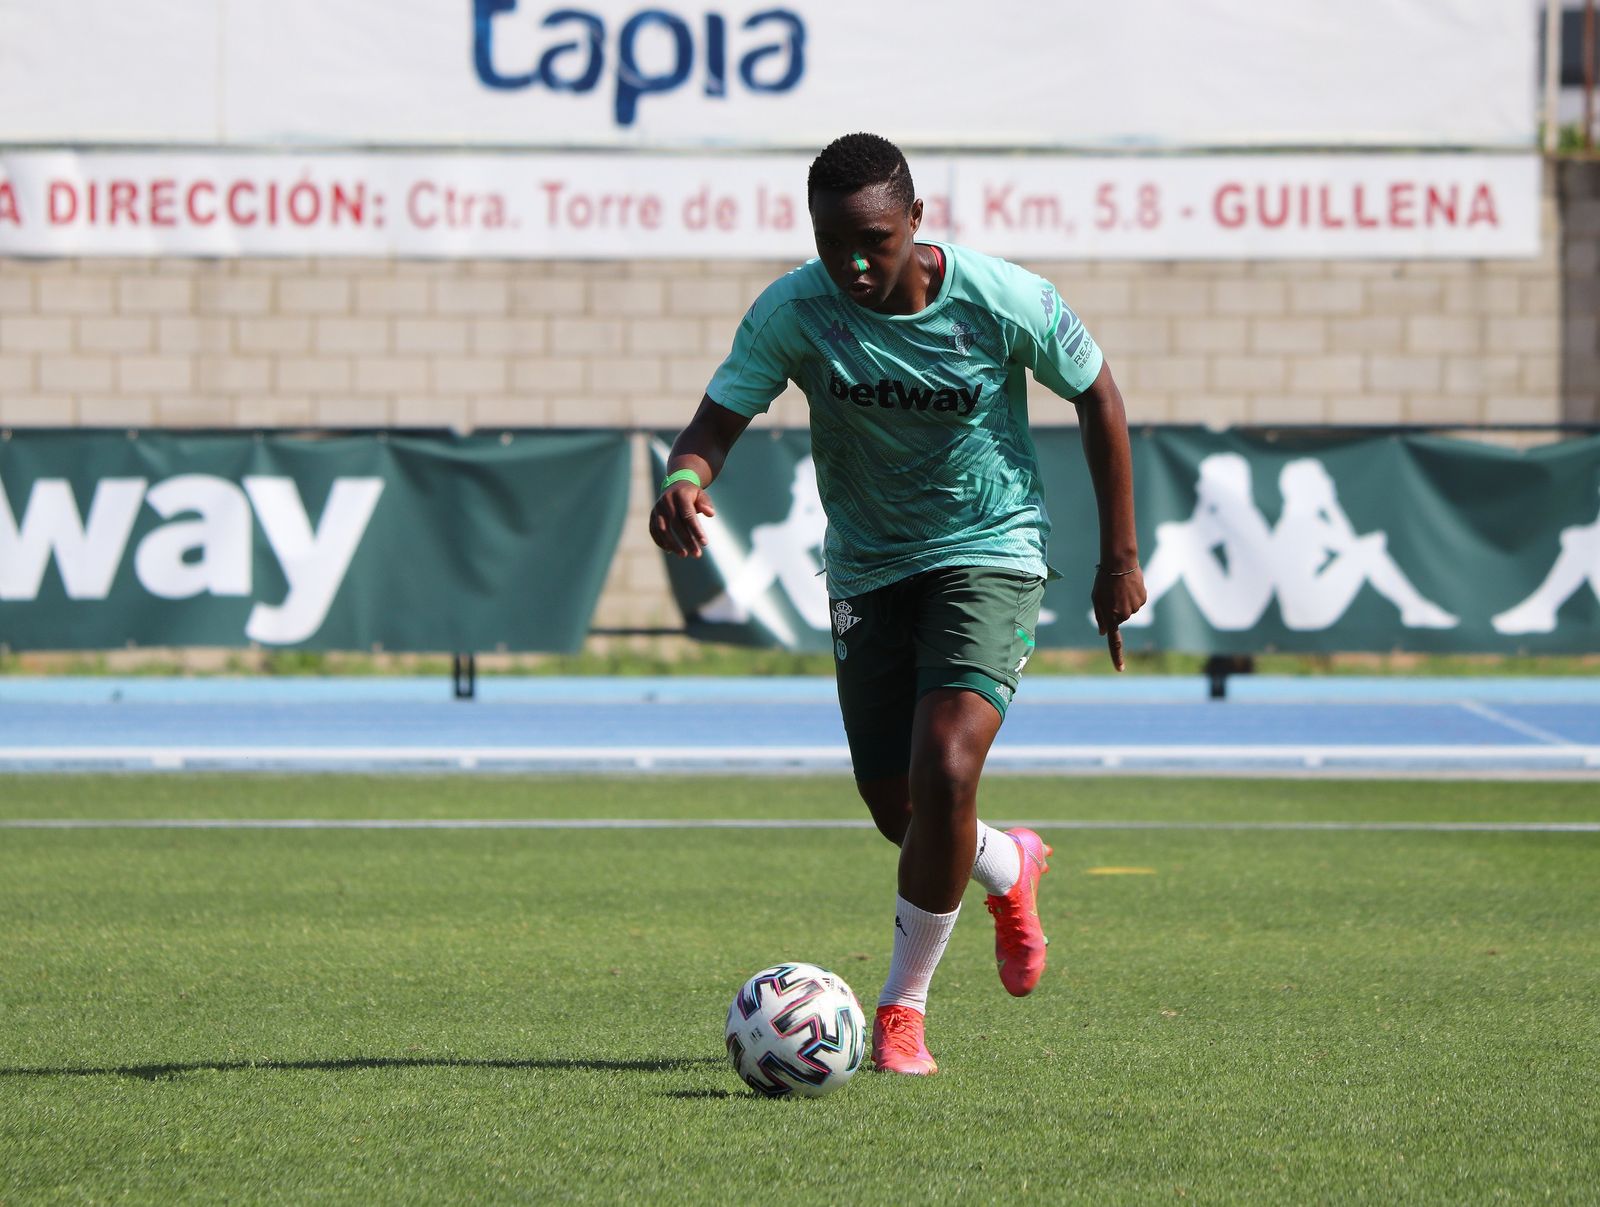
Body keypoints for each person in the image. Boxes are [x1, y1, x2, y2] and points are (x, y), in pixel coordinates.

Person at [649, 133, 1146, 1075]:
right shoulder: (795, 310)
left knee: (947, 767)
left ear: (917, 221)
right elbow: (718, 418)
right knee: (901, 809)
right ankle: (1009, 861)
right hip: (870, 567)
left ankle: (900, 1012)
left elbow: (1100, 397)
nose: (854, 263)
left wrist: (1117, 557)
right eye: (834, 242)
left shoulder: (1005, 299)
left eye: (873, 239)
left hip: (989, 552)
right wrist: (682, 475)